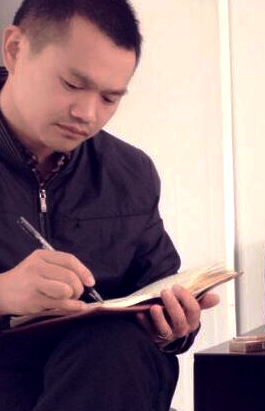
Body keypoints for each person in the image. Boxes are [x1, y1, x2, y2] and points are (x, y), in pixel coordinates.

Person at [0, 1, 220, 410]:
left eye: (109, 98)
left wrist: (176, 326)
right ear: (14, 50)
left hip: (106, 379)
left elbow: (156, 286)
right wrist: (4, 293)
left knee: (115, 346)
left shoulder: (130, 173)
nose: (87, 114)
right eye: (71, 84)